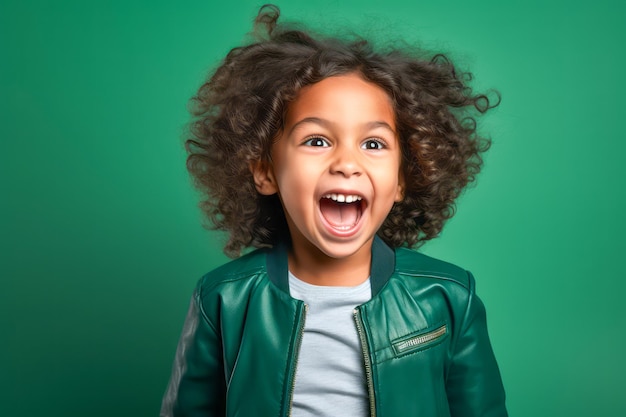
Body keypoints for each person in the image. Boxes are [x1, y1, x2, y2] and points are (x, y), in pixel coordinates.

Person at [161, 4, 507, 417]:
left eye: (373, 144)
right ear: (265, 170)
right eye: (317, 141)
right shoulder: (224, 298)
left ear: (401, 179)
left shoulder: (447, 297)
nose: (347, 162)